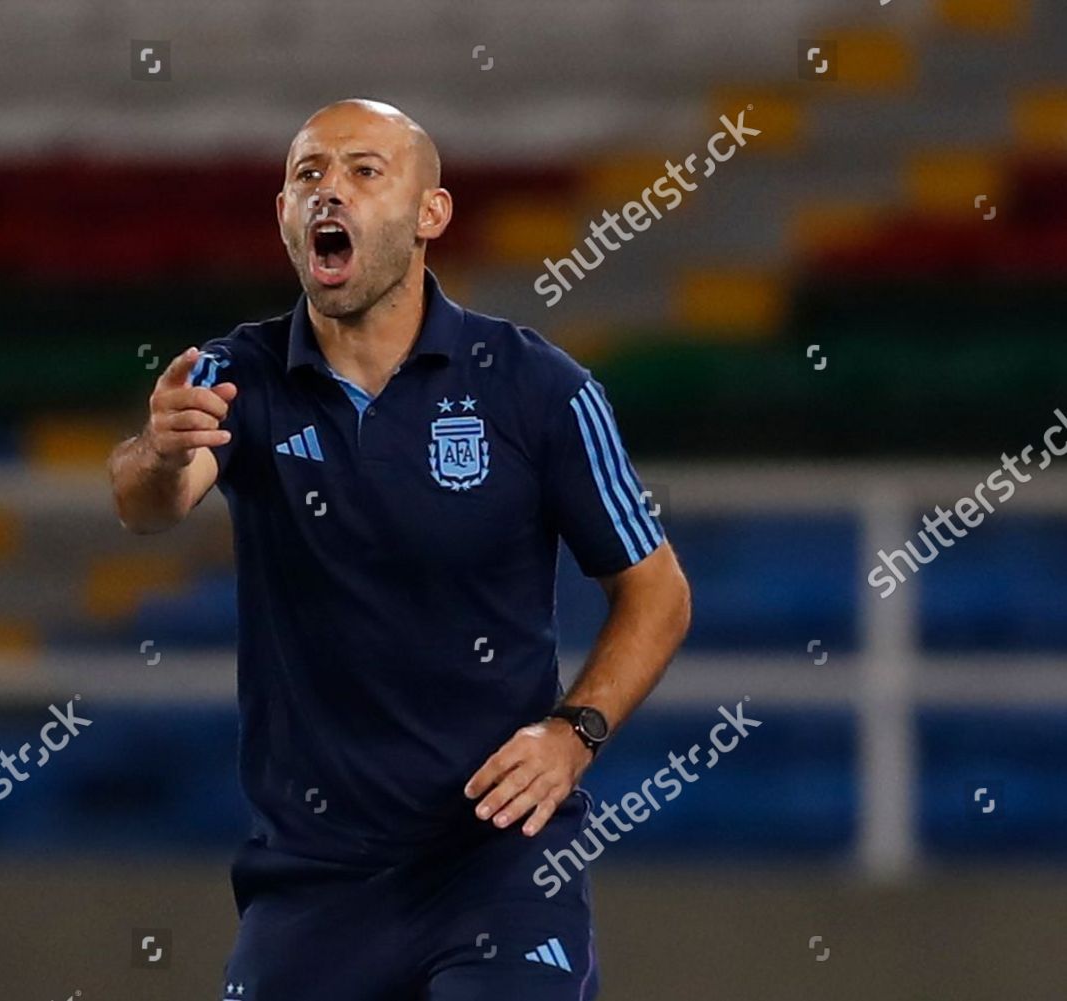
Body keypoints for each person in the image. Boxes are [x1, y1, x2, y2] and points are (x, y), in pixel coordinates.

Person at [108, 98, 691, 1000]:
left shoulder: (537, 388)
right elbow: (150, 505)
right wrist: (159, 448)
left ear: (431, 215)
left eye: (363, 171)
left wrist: (573, 735)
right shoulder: (239, 376)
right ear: (284, 218)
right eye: (308, 175)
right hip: (310, 880)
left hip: (496, 863)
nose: (328, 192)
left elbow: (657, 592)